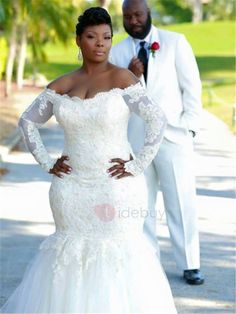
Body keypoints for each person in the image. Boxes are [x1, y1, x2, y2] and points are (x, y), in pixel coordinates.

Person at [0, 7, 177, 313]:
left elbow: (157, 119)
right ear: (78, 40)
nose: (100, 43)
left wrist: (137, 165)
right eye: (92, 37)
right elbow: (27, 122)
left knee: (118, 254)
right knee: (68, 255)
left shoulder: (122, 77)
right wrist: (47, 162)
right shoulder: (62, 85)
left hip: (115, 186)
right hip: (70, 191)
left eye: (107, 37)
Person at [110, 0, 204, 285]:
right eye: (127, 16)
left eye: (137, 14)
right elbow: (113, 99)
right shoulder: (117, 52)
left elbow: (192, 87)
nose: (133, 20)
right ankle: (149, 263)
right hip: (136, 141)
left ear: (148, 13)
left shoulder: (175, 42)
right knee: (142, 204)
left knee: (181, 200)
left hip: (174, 136)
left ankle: (190, 264)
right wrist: (130, 76)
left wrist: (189, 128)